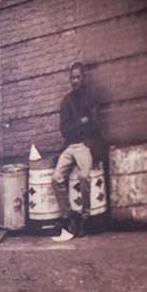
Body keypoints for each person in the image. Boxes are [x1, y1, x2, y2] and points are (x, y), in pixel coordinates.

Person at [51, 61, 100, 242]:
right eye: (72, 77)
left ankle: (84, 217)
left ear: (83, 78)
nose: (75, 80)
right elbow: (64, 131)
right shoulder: (66, 102)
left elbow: (95, 125)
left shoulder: (91, 98)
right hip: (69, 146)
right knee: (56, 178)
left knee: (84, 177)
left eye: (78, 77)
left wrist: (81, 126)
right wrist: (82, 122)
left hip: (84, 145)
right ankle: (68, 216)